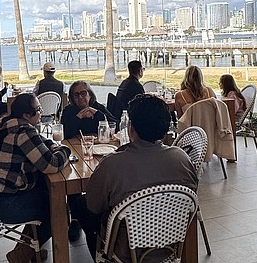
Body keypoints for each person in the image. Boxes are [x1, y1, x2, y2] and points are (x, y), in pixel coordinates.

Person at [69, 94, 198, 261]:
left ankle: (102, 255)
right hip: (170, 242)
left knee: (82, 206)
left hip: (126, 248)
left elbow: (94, 206)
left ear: (130, 127)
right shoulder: (182, 159)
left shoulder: (113, 164)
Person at [0, 93, 72, 263]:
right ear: (26, 115)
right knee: (57, 211)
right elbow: (50, 165)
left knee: (47, 197)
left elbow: (40, 141)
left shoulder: (8, 124)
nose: (41, 112)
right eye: (38, 110)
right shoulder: (23, 132)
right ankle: (22, 254)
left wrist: (52, 145)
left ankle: (30, 250)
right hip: (1, 203)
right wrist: (65, 151)